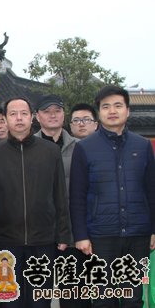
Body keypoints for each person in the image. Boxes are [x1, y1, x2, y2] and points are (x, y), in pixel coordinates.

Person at [70, 86, 155, 308]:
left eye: (118, 105)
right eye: (105, 106)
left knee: (133, 298)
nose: (112, 111)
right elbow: (77, 195)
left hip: (138, 234)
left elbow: (151, 190)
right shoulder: (85, 148)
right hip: (100, 235)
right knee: (102, 298)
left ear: (128, 110)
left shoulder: (143, 146)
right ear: (99, 113)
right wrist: (81, 235)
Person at [0, 97, 71, 308]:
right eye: (13, 114)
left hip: (43, 241)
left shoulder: (50, 152)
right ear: (5, 119)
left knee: (39, 302)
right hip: (5, 242)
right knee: (8, 301)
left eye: (23, 113)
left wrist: (63, 233)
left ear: (32, 117)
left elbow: (59, 194)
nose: (19, 118)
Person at [34, 95, 90, 308]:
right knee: (38, 293)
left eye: (56, 111)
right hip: (40, 234)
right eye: (47, 111)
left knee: (74, 295)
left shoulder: (81, 147)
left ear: (63, 115)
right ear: (38, 117)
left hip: (73, 232)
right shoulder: (28, 148)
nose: (52, 115)